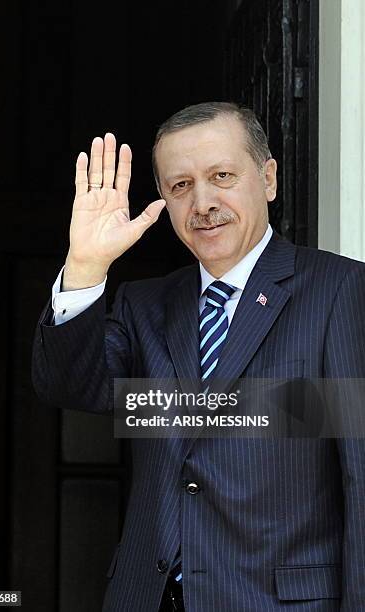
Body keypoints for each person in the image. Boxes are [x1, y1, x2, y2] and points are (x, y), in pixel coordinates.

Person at [32, 102, 365, 612]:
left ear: (269, 178)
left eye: (222, 175)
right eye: (180, 186)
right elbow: (69, 386)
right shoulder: (144, 305)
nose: (203, 202)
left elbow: (358, 475)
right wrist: (85, 265)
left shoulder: (341, 291)